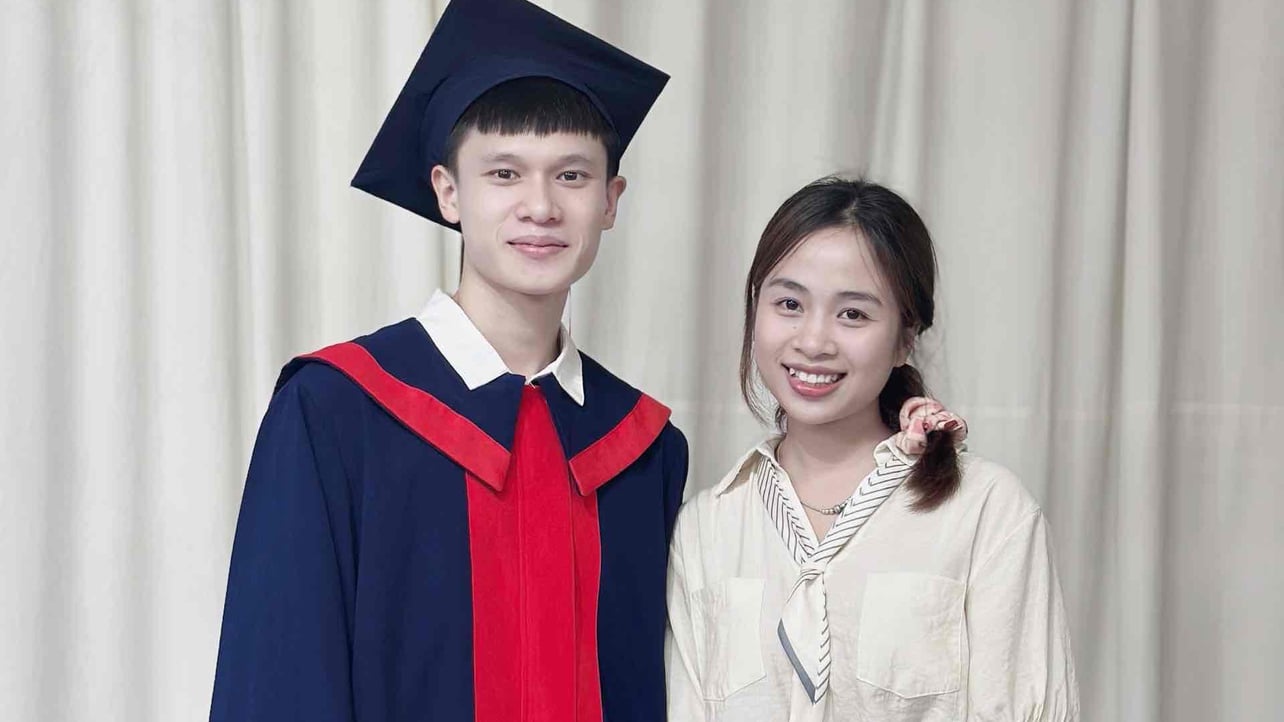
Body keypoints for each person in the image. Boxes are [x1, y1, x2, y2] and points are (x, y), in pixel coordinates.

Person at [209, 1, 686, 720]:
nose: (540, 207)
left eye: (572, 176)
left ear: (611, 201)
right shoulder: (335, 411)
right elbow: (278, 683)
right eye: (504, 173)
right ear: (448, 193)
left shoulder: (644, 448)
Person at [665, 177, 1078, 721]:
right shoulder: (706, 529)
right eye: (789, 303)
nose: (813, 341)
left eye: (853, 314)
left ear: (906, 337)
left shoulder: (987, 511)